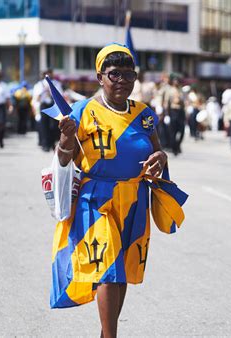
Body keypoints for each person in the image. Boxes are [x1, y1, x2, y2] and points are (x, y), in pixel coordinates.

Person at [51, 43, 186, 338]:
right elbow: (62, 159)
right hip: (95, 200)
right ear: (100, 77)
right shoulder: (82, 111)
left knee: (122, 270)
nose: (122, 81)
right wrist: (65, 139)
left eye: (129, 74)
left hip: (135, 200)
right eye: (114, 74)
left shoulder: (144, 114)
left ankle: (105, 333)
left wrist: (160, 159)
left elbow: (158, 150)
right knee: (108, 270)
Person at [32, 69, 63, 151]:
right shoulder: (39, 85)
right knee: (44, 125)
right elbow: (36, 98)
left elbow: (60, 95)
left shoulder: (57, 83)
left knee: (54, 125)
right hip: (44, 105)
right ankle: (45, 144)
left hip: (53, 105)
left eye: (50, 73)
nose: (48, 75)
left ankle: (53, 143)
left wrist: (51, 90)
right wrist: (44, 90)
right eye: (46, 73)